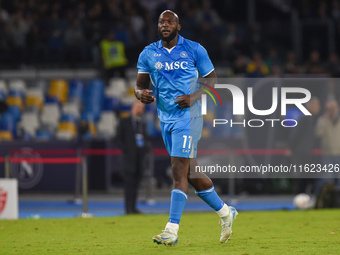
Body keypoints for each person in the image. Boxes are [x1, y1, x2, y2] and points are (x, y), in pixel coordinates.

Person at [134, 10, 237, 246]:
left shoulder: (194, 49)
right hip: (166, 118)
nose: (165, 25)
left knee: (177, 170)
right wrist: (141, 95)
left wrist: (194, 96)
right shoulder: (148, 53)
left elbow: (212, 81)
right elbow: (139, 85)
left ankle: (171, 229)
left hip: (189, 117)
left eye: (170, 22)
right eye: (161, 22)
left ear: (178, 26)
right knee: (191, 175)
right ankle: (225, 213)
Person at [117, 100, 150, 214]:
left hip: (139, 159)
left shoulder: (142, 124)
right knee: (128, 184)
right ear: (133, 107)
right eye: (137, 106)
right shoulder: (124, 122)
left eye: (141, 107)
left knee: (136, 184)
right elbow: (117, 138)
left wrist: (145, 148)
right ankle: (128, 208)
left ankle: (134, 207)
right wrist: (126, 149)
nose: (139, 109)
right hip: (128, 159)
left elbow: (145, 139)